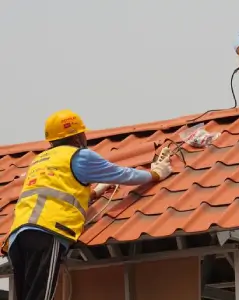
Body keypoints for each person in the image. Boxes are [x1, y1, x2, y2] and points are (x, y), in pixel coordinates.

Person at [1, 109, 173, 300]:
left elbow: (54, 192)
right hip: (45, 233)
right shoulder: (79, 156)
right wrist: (156, 174)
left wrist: (95, 192)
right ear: (76, 136)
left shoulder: (38, 161)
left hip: (17, 237)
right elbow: (123, 174)